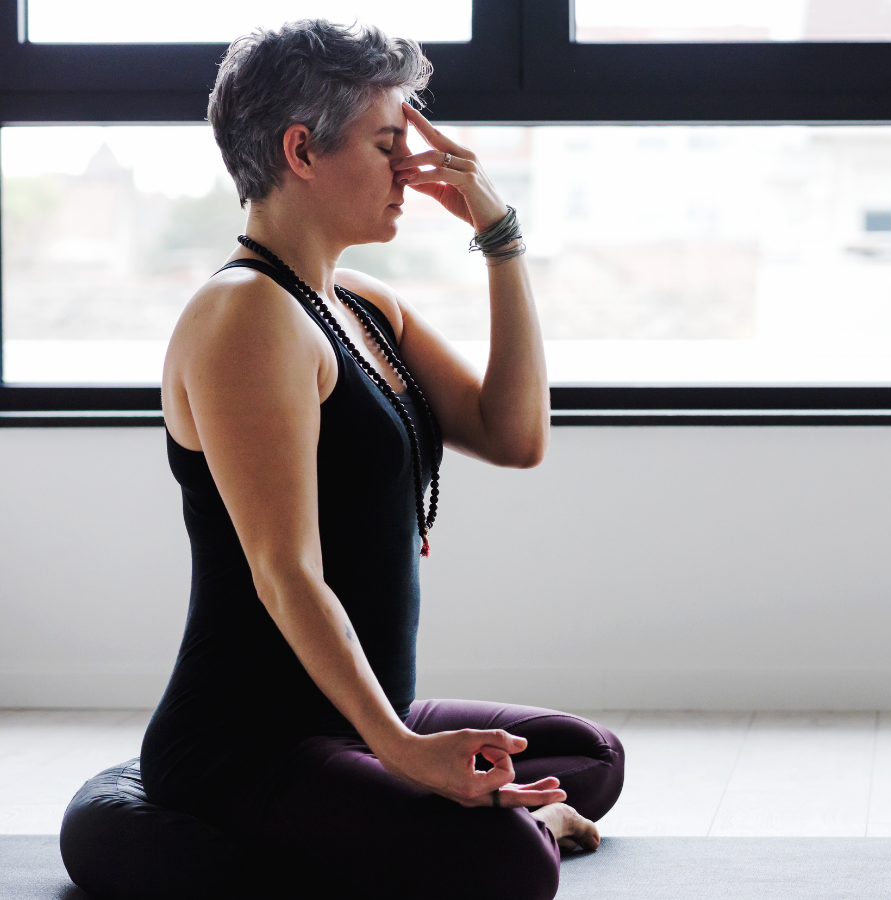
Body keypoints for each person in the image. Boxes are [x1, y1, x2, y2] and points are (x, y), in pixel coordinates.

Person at [135, 19, 623, 899]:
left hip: (363, 721)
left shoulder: (362, 304)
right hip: (248, 744)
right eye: (389, 143)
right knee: (511, 864)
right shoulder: (246, 316)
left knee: (589, 756)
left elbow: (515, 438)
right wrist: (405, 755)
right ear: (302, 150)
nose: (411, 167)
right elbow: (285, 573)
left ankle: (404, 809)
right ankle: (466, 820)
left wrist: (499, 233)